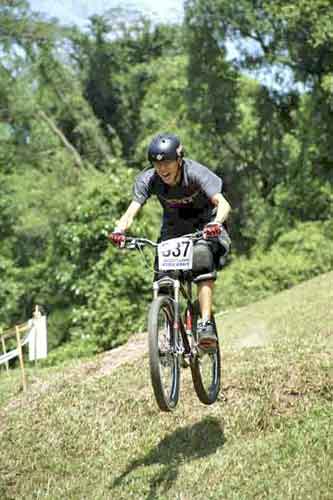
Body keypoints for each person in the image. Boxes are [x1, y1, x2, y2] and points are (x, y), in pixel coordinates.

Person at [110, 133, 231, 352]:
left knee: (202, 258)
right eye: (157, 163)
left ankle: (204, 324)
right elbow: (130, 212)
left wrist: (216, 223)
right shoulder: (149, 180)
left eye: (167, 162)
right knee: (162, 276)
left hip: (205, 223)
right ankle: (168, 330)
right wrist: (119, 230)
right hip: (174, 228)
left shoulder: (195, 173)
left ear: (179, 160)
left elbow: (223, 204)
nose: (162, 169)